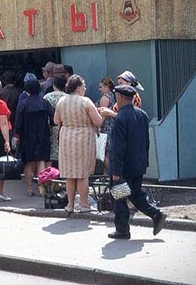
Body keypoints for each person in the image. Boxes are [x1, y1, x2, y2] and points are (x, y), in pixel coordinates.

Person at [106, 84, 166, 239]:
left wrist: (116, 172)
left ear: (119, 97)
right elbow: (146, 142)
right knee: (135, 194)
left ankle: (122, 229)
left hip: (123, 167)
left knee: (119, 197)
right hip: (138, 164)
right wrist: (144, 163)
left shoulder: (120, 118)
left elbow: (118, 147)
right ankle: (156, 214)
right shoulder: (142, 114)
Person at [54, 74, 103, 213]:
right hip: (83, 138)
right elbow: (98, 121)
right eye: (84, 86)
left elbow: (56, 120)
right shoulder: (86, 101)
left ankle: (70, 204)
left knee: (70, 173)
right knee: (82, 173)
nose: (85, 88)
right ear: (79, 88)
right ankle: (84, 204)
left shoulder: (61, 101)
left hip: (66, 137)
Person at [14, 77, 53, 196]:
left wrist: (16, 135)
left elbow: (18, 122)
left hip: (27, 135)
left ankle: (30, 189)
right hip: (43, 134)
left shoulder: (23, 103)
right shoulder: (45, 102)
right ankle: (42, 189)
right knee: (41, 160)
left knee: (28, 162)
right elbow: (53, 117)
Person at [43, 75, 69, 166]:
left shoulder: (47, 97)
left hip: (50, 127)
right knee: (64, 152)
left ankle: (49, 176)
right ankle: (64, 175)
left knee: (50, 154)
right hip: (65, 127)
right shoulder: (68, 98)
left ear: (54, 85)